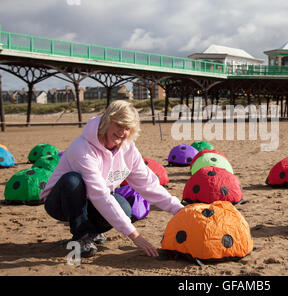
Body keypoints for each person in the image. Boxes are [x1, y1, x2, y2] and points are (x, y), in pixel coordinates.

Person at [40, 100, 183, 258]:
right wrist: (135, 236)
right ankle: (82, 236)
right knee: (73, 180)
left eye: (127, 128)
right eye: (119, 125)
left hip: (91, 200)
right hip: (60, 201)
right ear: (107, 121)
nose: (122, 132)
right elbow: (99, 194)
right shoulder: (82, 148)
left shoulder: (128, 149)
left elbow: (148, 184)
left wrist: (179, 210)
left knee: (124, 209)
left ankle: (93, 232)